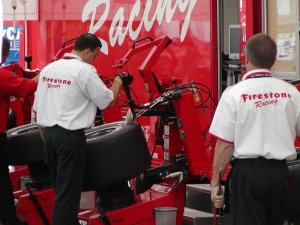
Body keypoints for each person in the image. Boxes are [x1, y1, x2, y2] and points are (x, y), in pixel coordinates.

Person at [33, 33, 132, 225]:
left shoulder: (48, 69)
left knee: (61, 192)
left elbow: (36, 109)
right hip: (70, 137)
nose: (94, 59)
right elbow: (107, 101)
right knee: (68, 195)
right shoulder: (84, 71)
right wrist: (119, 80)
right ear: (87, 51)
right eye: (95, 55)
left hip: (49, 136)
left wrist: (46, 140)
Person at [209, 33, 300, 225]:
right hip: (281, 175)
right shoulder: (291, 93)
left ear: (247, 58)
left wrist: (215, 182)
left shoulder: (233, 94)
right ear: (274, 60)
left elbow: (225, 145)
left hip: (248, 177)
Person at [0, 37, 39, 225]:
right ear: (5, 54)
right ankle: (9, 222)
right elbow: (27, 87)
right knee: (1, 184)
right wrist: (46, 74)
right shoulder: (2, 76)